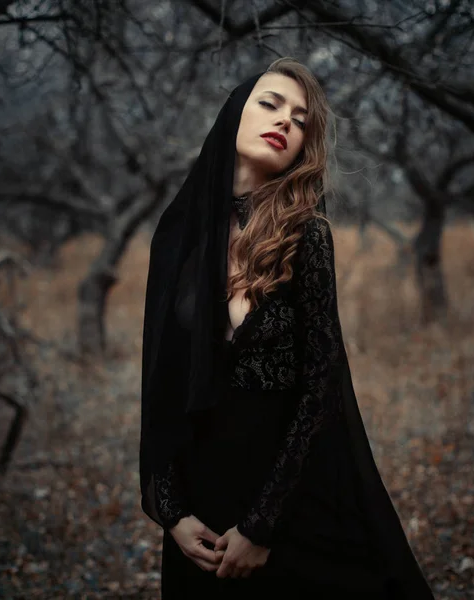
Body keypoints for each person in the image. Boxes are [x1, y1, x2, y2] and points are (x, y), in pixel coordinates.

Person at [140, 57, 436, 599]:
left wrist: (261, 525)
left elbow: (319, 388)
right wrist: (174, 512)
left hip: (289, 498)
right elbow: (160, 383)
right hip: (199, 505)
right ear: (234, 114)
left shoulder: (306, 235)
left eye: (301, 120)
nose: (285, 122)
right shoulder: (178, 235)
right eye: (271, 104)